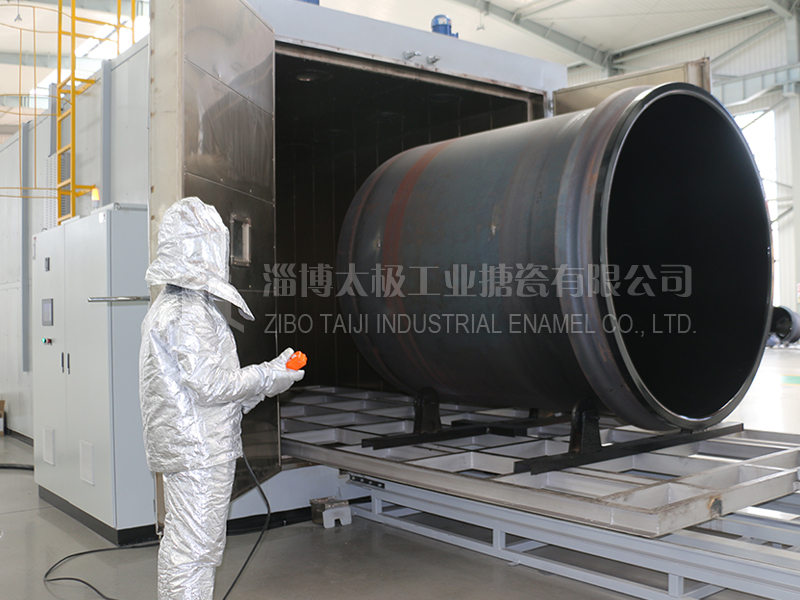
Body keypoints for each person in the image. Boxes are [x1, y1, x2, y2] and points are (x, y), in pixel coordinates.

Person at [138, 196, 304, 600]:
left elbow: (205, 390)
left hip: (192, 445)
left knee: (186, 548)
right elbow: (211, 386)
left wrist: (268, 378)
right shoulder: (188, 313)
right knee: (194, 553)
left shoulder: (172, 306)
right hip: (200, 452)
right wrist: (267, 375)